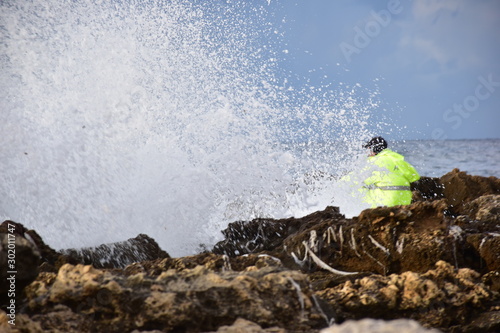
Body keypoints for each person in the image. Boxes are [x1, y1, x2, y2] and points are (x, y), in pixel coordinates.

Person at [360, 136, 420, 207]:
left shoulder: (373, 161)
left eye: (368, 149)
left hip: (386, 203)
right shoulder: (396, 158)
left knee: (358, 187)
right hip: (405, 200)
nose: (367, 152)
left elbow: (359, 179)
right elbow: (415, 177)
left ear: (372, 149)